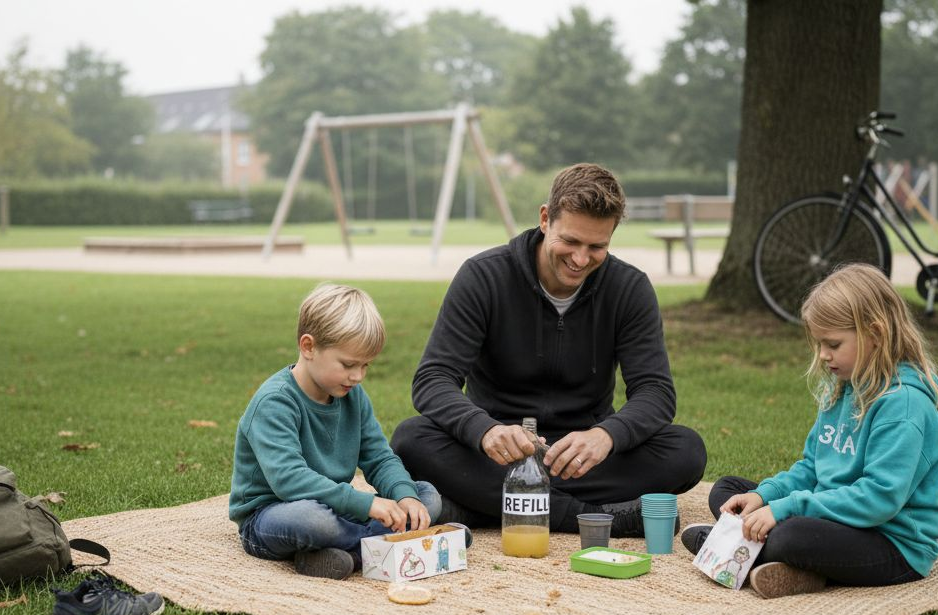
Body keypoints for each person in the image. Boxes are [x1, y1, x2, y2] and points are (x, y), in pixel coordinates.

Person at [390, 163, 706, 536]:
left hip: (582, 457)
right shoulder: (483, 277)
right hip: (497, 454)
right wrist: (485, 430)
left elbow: (656, 392)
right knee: (411, 440)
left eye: (597, 246)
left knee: (686, 450)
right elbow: (433, 379)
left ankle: (488, 506)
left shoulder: (629, 288)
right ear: (545, 218)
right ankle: (591, 517)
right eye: (570, 242)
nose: (580, 259)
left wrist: (606, 436)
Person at [681, 264, 938, 598]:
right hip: (834, 516)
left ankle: (735, 545)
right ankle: (783, 563)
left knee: (790, 535)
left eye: (833, 344)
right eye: (820, 344)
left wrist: (785, 509)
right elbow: (812, 468)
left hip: (891, 542)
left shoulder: (903, 405)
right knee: (729, 491)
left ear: (876, 334)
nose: (823, 355)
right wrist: (765, 497)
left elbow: (879, 499)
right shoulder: (843, 386)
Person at [230, 283, 443, 579]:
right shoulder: (275, 402)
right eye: (348, 364)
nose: (357, 376)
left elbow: (379, 458)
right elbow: (289, 481)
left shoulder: (352, 394)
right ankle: (396, 546)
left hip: (335, 506)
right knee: (313, 521)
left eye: (365, 365)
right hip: (272, 515)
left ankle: (339, 555)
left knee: (426, 496)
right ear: (309, 347)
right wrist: (366, 504)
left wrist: (404, 496)